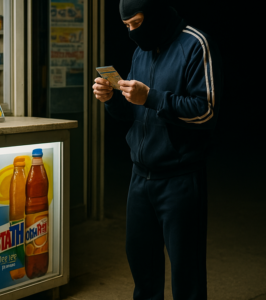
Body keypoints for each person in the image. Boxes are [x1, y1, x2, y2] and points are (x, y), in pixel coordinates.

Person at [93, 0, 222, 299]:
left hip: (181, 178)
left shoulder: (196, 44)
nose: (132, 33)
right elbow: (133, 111)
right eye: (126, 27)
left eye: (136, 23)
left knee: (186, 272)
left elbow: (207, 111)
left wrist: (151, 97)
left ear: (156, 14)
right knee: (143, 270)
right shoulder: (142, 50)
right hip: (140, 177)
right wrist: (112, 99)